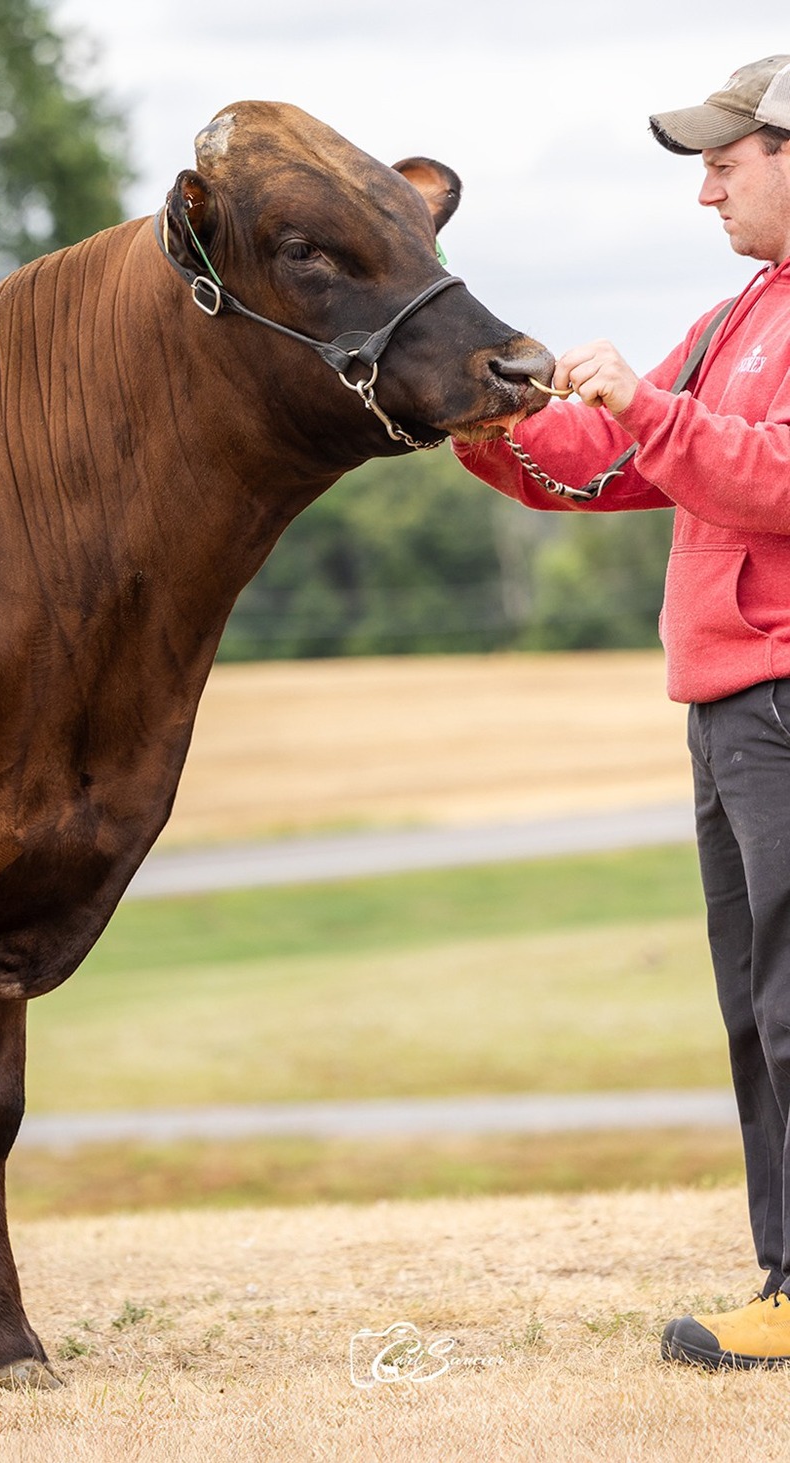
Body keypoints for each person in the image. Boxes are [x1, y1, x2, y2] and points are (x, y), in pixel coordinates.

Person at [454, 53, 790, 1370]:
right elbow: (607, 468)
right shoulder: (736, 315)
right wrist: (483, 413)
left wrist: (642, 406)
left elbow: (772, 477)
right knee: (759, 1010)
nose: (704, 189)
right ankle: (784, 1280)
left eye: (727, 158)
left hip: (778, 703)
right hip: (731, 709)